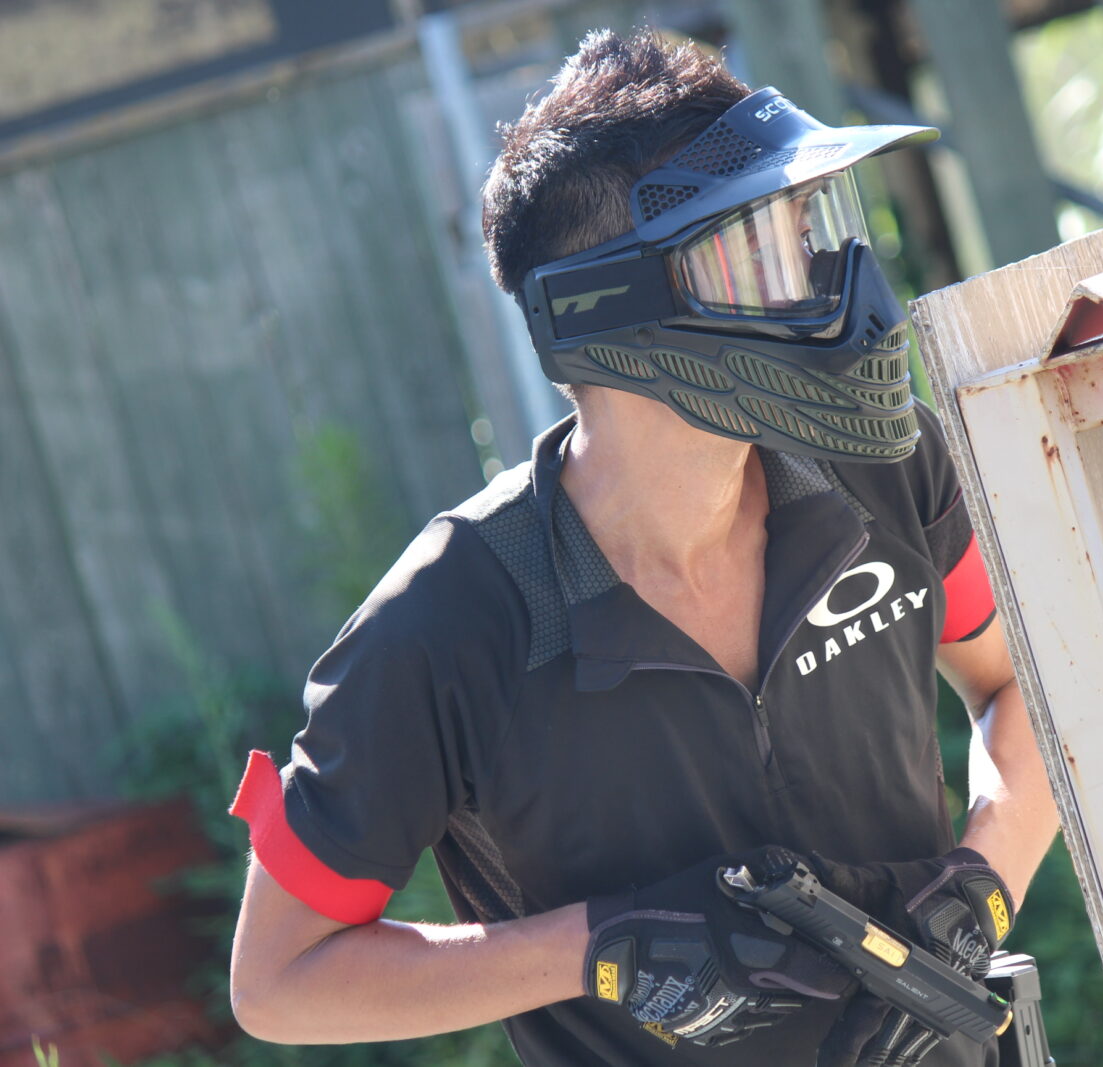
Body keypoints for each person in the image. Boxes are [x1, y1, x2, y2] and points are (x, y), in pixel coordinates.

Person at [227, 28, 1058, 1067]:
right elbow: (277, 980)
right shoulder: (445, 625)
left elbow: (1023, 686)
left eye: (813, 231)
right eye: (765, 250)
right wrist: (596, 947)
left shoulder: (883, 470)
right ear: (610, 309)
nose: (834, 285)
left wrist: (985, 877)